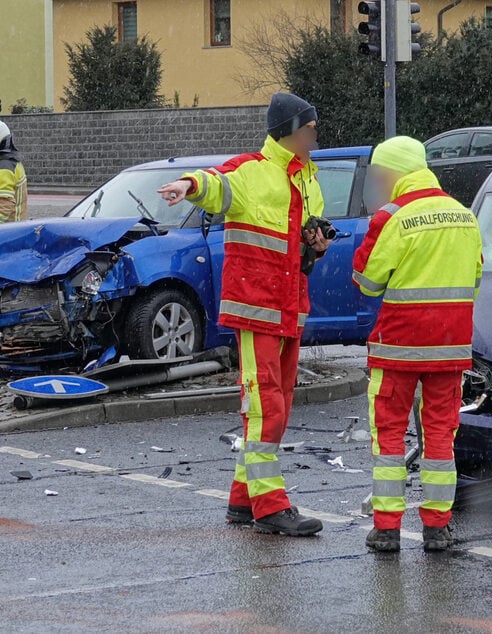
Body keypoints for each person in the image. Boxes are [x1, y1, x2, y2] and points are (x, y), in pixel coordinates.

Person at [156, 93, 329, 537]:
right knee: (265, 405)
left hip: (289, 307)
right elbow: (215, 182)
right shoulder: (253, 170)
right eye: (310, 128)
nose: (316, 134)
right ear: (290, 130)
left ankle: (242, 499)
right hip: (258, 309)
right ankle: (271, 506)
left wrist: (316, 243)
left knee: (278, 403)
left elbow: (302, 236)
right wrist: (187, 186)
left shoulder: (308, 177)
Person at [352, 136, 483, 552]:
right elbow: (476, 279)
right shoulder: (464, 215)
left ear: (393, 174)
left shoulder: (393, 217)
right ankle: (437, 529)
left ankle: (388, 528)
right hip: (450, 348)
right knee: (441, 438)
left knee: (390, 436)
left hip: (399, 349)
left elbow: (367, 282)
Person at [0, 120, 27, 225]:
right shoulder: (6, 164)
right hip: (8, 230)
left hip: (3, 232)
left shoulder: (3, 168)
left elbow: (4, 204)